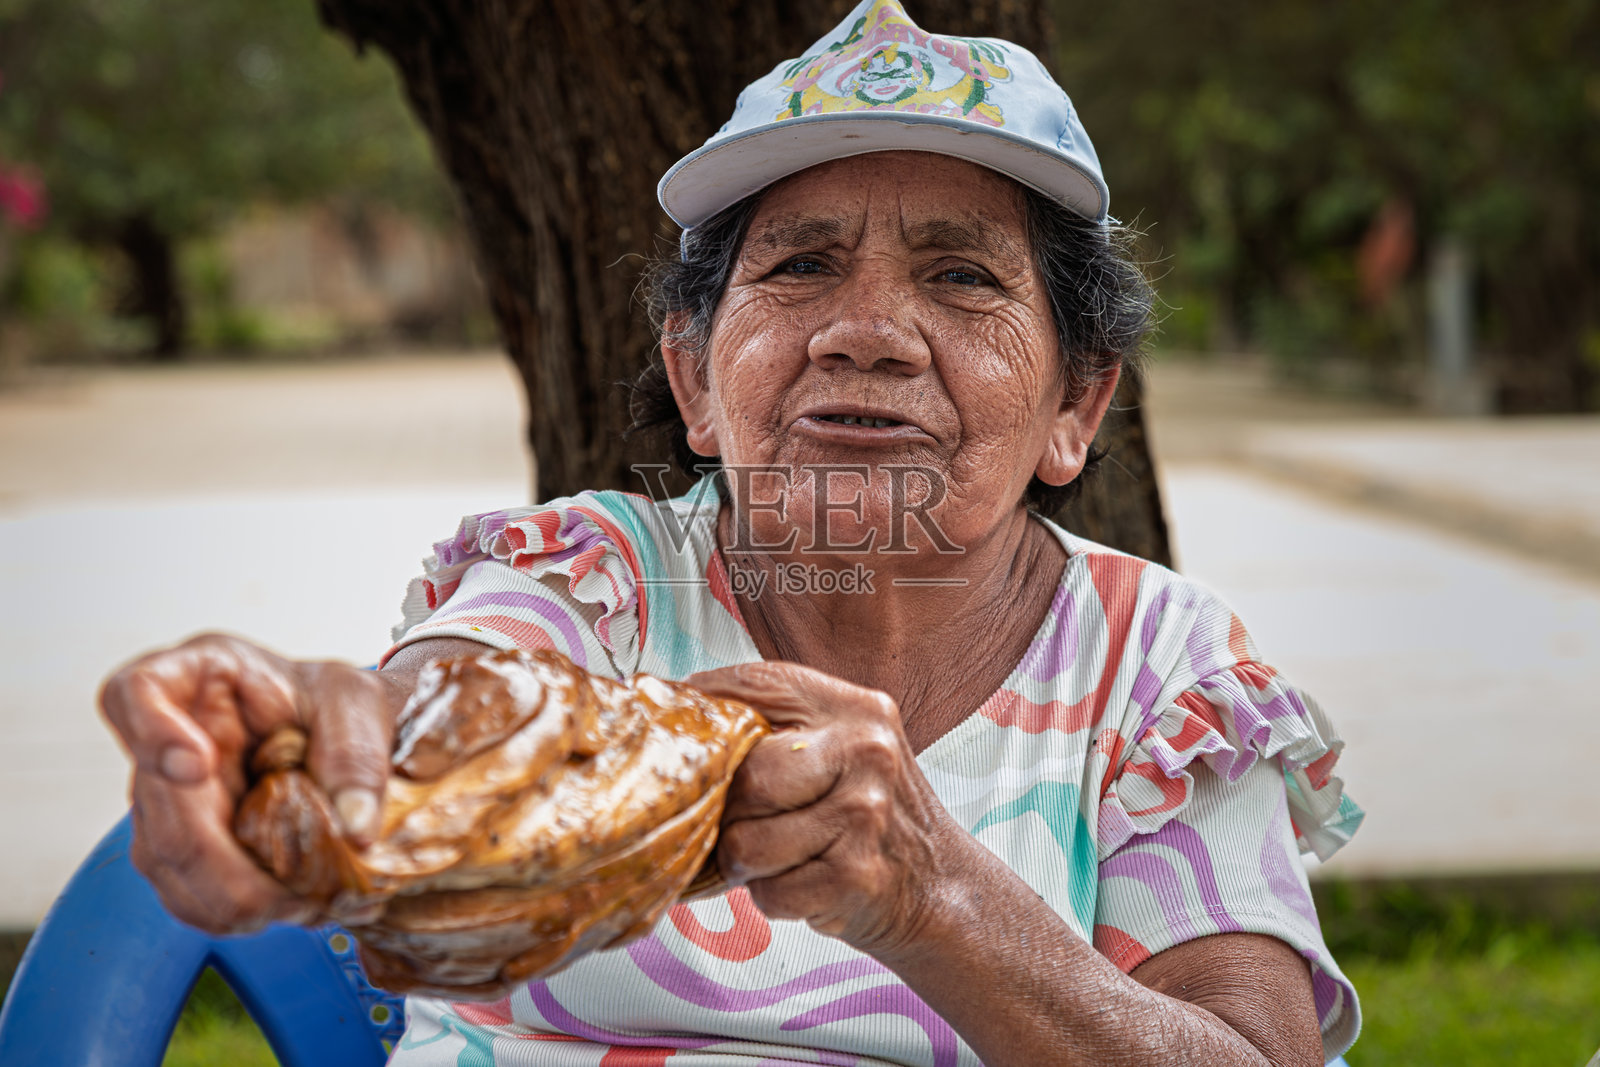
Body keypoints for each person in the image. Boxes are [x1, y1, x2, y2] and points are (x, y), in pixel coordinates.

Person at [99, 2, 1363, 1064]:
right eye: (799, 265)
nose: (866, 331)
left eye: (962, 276)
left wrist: (932, 890)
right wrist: (300, 747)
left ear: (1076, 404)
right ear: (695, 379)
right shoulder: (594, 580)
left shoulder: (1160, 668)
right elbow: (447, 706)